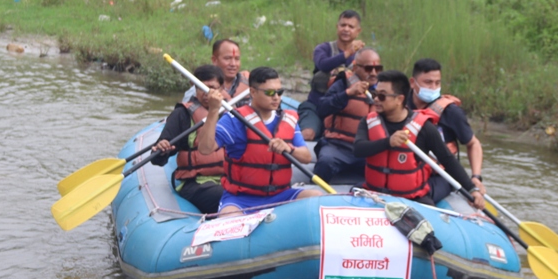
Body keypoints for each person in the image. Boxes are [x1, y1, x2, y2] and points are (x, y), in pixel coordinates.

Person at [353, 70, 485, 209]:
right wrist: (388, 142)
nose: (376, 100)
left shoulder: (424, 128)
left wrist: (472, 189)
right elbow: (358, 149)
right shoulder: (367, 121)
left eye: (382, 96)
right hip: (374, 194)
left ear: (399, 99)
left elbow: (447, 160)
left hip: (411, 199)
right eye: (375, 94)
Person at [207, 66, 324, 216]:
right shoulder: (234, 119)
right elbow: (206, 149)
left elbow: (306, 157)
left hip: (281, 196)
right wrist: (212, 112)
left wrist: (289, 148)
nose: (276, 97)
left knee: (316, 198)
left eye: (279, 92)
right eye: (269, 92)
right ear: (253, 92)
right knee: (228, 220)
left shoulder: (288, 119)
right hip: (242, 199)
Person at [149, 65, 229, 215]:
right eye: (201, 87)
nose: (206, 93)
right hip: (195, 183)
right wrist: (162, 149)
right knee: (225, 196)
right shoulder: (182, 114)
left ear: (222, 88)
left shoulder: (229, 113)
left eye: (211, 88)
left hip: (227, 178)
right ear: (194, 87)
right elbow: (157, 160)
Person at [407, 58, 486, 196]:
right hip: (407, 170)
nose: (433, 88)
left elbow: (473, 144)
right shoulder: (400, 104)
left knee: (418, 193)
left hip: (440, 176)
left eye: (437, 83)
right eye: (428, 82)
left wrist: (476, 177)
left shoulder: (451, 112)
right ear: (413, 83)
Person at [312, 48, 383, 184]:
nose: (374, 73)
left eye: (378, 68)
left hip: (366, 151)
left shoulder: (385, 89)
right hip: (338, 147)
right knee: (326, 162)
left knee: (386, 171)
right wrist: (347, 93)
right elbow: (321, 108)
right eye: (368, 68)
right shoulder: (342, 84)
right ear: (356, 67)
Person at [297, 10, 366, 141]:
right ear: (337, 27)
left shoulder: (363, 56)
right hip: (315, 107)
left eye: (351, 27)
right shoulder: (323, 49)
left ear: (358, 31)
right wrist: (348, 52)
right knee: (307, 134)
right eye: (343, 25)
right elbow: (323, 65)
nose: (346, 29)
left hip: (345, 112)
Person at [181, 39, 249, 103]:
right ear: (214, 60)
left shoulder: (250, 85)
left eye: (237, 59)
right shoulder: (197, 90)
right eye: (227, 58)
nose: (233, 64)